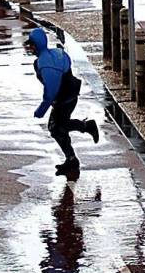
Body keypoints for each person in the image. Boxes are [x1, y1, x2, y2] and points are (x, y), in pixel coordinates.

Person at [27, 27, 99, 177]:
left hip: (64, 99)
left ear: (37, 45)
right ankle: (73, 155)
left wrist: (41, 110)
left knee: (56, 128)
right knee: (59, 127)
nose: (30, 48)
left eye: (32, 45)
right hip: (69, 96)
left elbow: (51, 91)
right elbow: (66, 63)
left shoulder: (45, 64)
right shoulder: (55, 54)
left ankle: (83, 134)